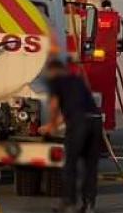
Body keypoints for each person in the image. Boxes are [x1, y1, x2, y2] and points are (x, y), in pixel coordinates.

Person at [40, 59, 102, 213]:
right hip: (95, 121)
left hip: (79, 123)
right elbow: (72, 108)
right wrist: (55, 124)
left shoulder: (56, 81)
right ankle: (89, 205)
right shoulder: (77, 80)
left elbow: (54, 106)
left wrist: (51, 127)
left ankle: (69, 204)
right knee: (90, 166)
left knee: (71, 164)